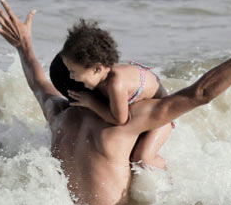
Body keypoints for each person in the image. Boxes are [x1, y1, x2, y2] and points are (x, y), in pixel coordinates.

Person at [0, 0, 231, 205]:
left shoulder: (55, 113)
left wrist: (24, 45)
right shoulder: (122, 125)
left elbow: (38, 82)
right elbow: (201, 93)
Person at [59, 19, 172, 169]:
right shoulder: (102, 79)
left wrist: (91, 103)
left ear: (97, 69)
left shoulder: (116, 84)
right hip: (144, 115)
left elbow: (120, 119)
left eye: (73, 72)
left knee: (142, 157)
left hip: (163, 117)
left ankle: (169, 181)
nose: (71, 77)